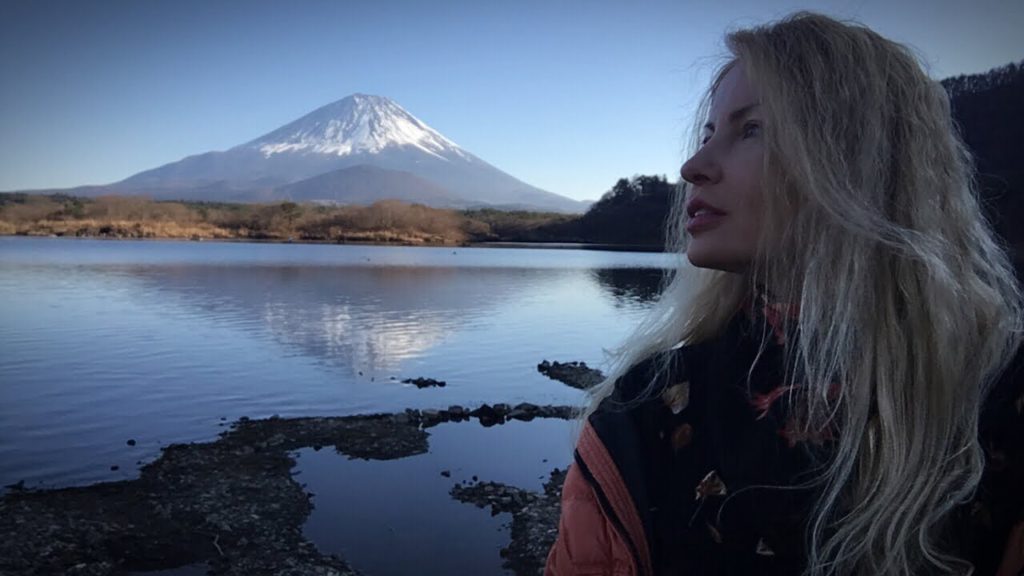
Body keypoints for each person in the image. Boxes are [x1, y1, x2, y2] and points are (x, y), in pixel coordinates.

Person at [545, 12, 1023, 576]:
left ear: (858, 162)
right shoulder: (647, 410)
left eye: (751, 129)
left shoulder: (998, 395)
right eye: (707, 136)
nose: (693, 167)